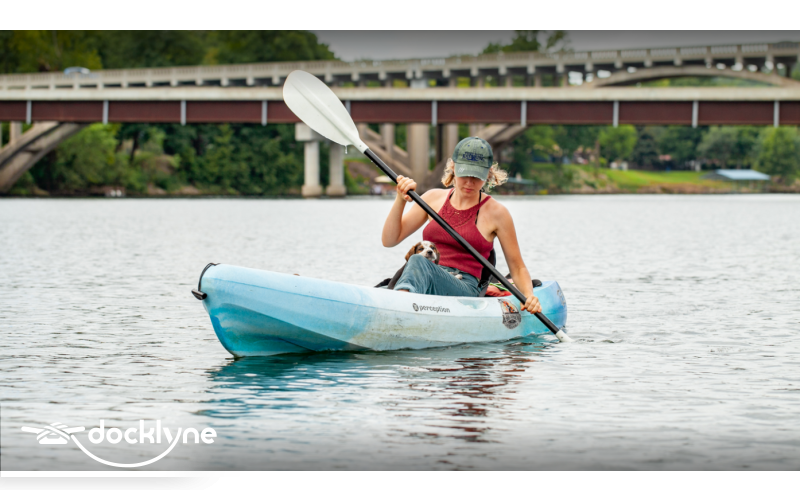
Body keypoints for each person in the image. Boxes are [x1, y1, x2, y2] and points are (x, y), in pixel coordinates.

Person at [381, 137, 542, 315]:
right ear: (453, 167)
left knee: (418, 260)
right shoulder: (431, 198)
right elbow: (389, 240)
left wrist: (529, 295)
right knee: (418, 260)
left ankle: (398, 308)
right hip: (427, 275)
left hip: (465, 287)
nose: (469, 182)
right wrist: (400, 199)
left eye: (477, 176)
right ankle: (402, 304)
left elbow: (517, 267)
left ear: (489, 173)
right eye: (465, 174)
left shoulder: (498, 213)